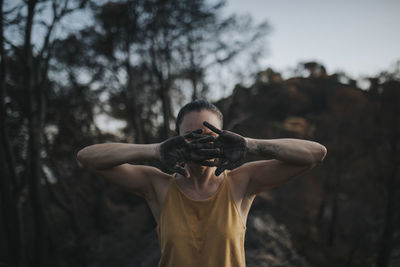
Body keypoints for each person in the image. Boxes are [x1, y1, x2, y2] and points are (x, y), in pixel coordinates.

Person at [76, 99, 327, 267]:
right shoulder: (158, 186)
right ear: (176, 140)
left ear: (224, 137)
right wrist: (155, 150)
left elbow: (314, 154)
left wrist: (250, 145)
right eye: (191, 137)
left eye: (210, 136)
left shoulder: (242, 182)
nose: (200, 144)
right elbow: (87, 158)